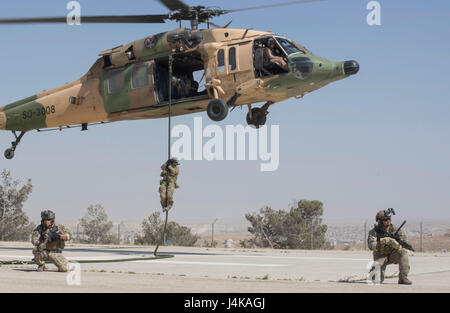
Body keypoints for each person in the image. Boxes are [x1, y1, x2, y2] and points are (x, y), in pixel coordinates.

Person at [367, 209, 412, 285]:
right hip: (380, 256)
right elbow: (371, 245)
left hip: (393, 255)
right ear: (380, 221)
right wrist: (383, 241)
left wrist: (398, 245)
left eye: (389, 219)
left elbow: (405, 243)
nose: (388, 221)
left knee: (404, 252)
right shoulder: (374, 232)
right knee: (375, 280)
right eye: (385, 220)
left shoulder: (396, 230)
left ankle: (403, 278)